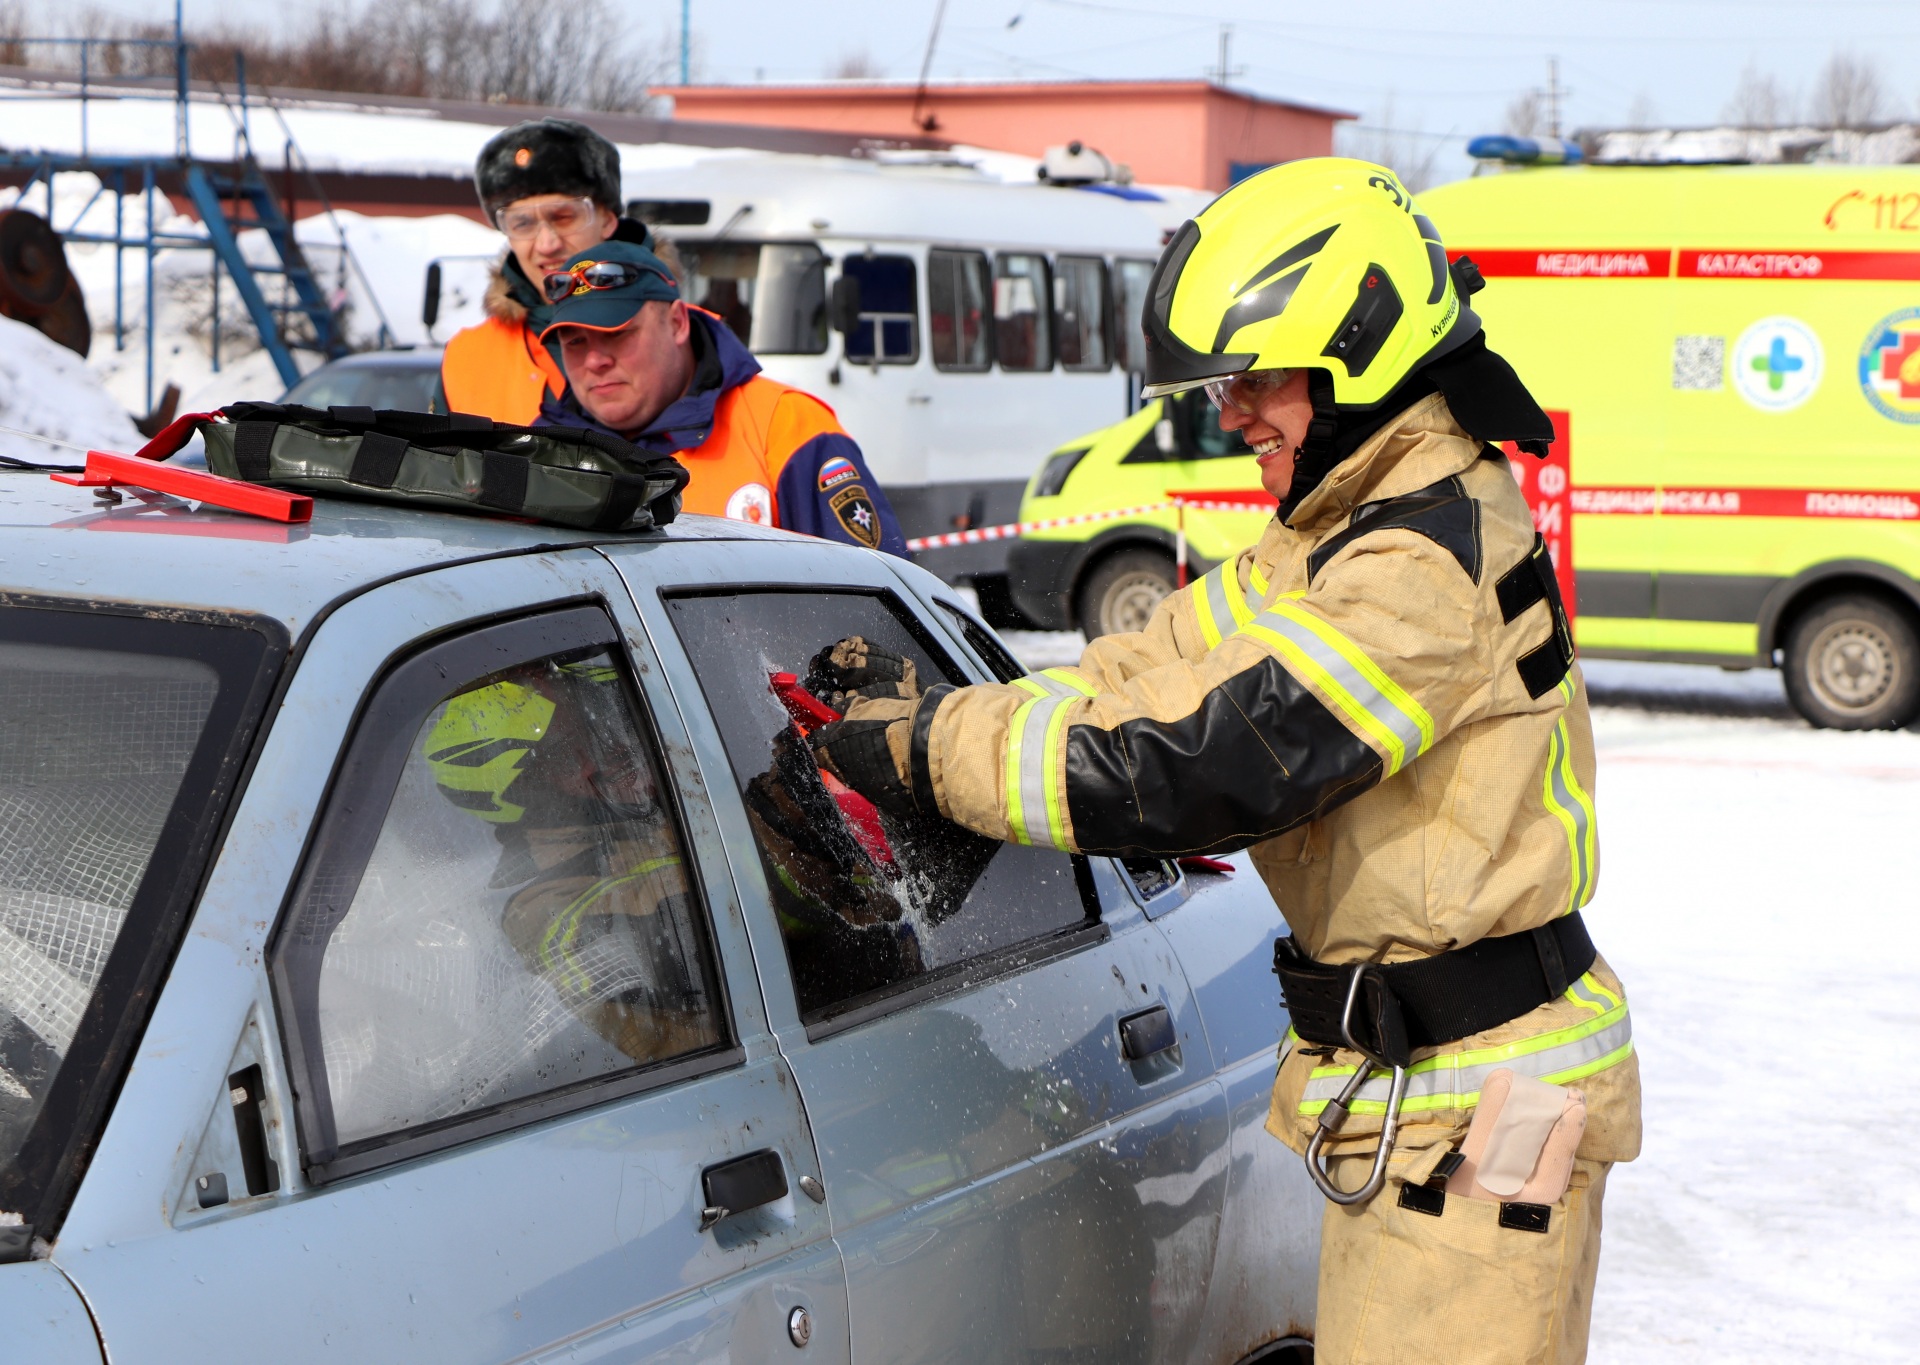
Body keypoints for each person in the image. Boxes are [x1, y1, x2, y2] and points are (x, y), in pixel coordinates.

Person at [806, 158, 1639, 1365]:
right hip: (1430, 1099)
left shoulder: (1417, 567)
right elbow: (1149, 672)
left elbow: (1187, 764)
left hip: (1480, 1123)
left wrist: (925, 753)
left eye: (1254, 382)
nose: (1231, 413)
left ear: (1355, 356)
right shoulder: (1347, 526)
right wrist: (949, 708)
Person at [534, 238, 910, 555]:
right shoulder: (539, 452)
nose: (595, 360)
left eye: (617, 334)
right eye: (575, 342)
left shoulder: (784, 426)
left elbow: (879, 607)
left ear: (678, 322)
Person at [439, 117, 654, 425]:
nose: (547, 243)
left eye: (564, 217)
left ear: (607, 219)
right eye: (522, 223)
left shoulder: (683, 336)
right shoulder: (467, 358)